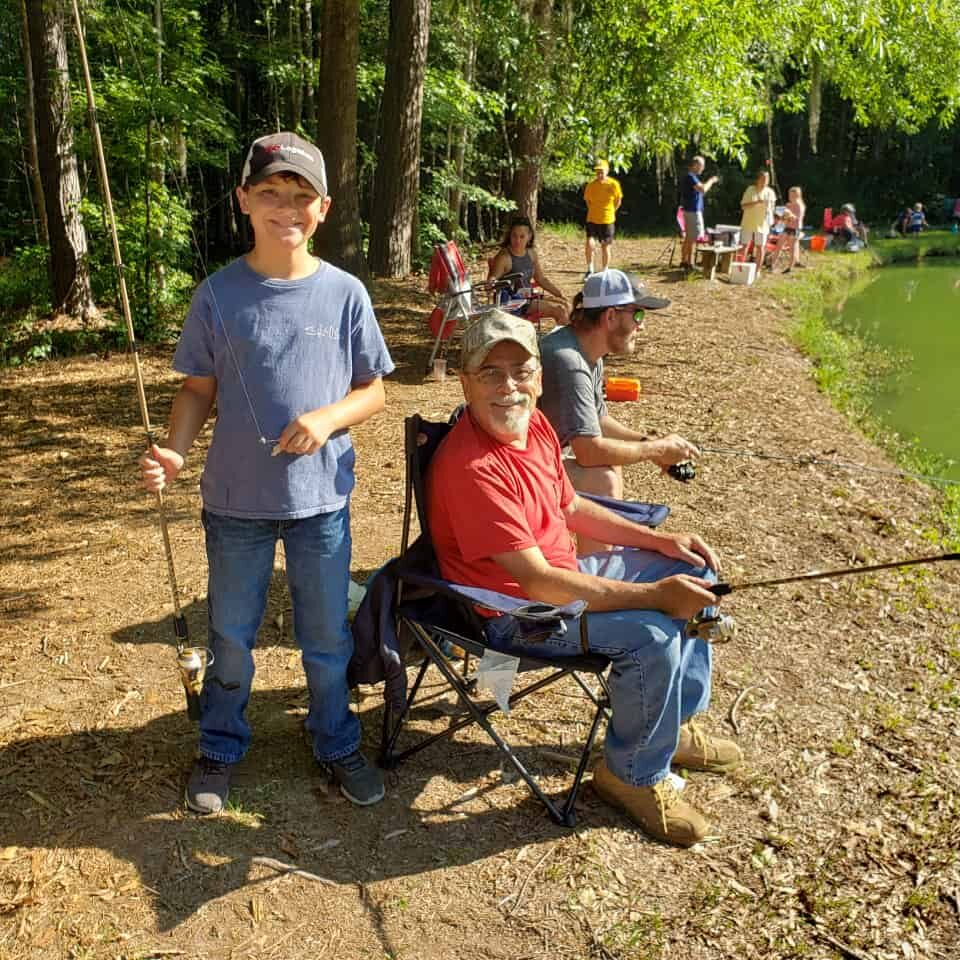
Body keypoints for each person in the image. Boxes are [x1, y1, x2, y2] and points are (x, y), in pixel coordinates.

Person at [138, 132, 395, 815]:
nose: (287, 209)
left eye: (301, 197)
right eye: (271, 194)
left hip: (322, 505)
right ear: (243, 202)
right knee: (230, 635)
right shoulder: (219, 294)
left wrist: (329, 418)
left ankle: (336, 741)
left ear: (325, 208)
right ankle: (221, 746)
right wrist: (175, 450)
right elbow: (196, 389)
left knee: (326, 637)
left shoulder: (345, 294)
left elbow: (374, 389)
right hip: (234, 505)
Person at [427, 310, 741, 847]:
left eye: (521, 371)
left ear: (539, 376)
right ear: (465, 380)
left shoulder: (535, 425)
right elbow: (540, 586)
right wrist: (654, 597)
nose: (509, 387)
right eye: (490, 373)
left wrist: (661, 543)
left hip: (560, 578)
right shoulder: (473, 469)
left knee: (694, 570)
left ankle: (672, 725)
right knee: (654, 631)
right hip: (516, 617)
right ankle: (632, 775)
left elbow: (569, 504)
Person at [539, 269, 700, 555]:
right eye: (638, 314)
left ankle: (601, 562)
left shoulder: (586, 350)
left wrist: (648, 445)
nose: (642, 325)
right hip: (509, 473)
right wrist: (656, 449)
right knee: (602, 478)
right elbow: (589, 450)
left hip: (534, 462)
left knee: (609, 468)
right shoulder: (569, 361)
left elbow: (598, 420)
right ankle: (600, 576)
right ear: (610, 316)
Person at [488, 216, 570, 327]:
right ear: (509, 236)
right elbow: (493, 279)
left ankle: (561, 341)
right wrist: (491, 282)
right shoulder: (504, 257)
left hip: (528, 298)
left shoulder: (531, 254)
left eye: (522, 237)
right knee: (560, 311)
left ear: (529, 237)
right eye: (514, 236)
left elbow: (540, 279)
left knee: (563, 308)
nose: (517, 240)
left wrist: (559, 294)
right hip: (513, 303)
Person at [583, 160, 623, 279]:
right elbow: (588, 201)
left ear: (607, 171)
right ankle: (590, 269)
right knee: (590, 241)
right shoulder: (591, 185)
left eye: (601, 171)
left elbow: (618, 201)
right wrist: (596, 210)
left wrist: (610, 211)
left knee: (605, 245)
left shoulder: (613, 184)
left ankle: (605, 270)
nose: (599, 174)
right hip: (592, 218)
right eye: (597, 172)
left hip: (607, 219)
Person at [679, 156, 719, 271]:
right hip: (692, 211)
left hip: (690, 210)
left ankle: (684, 261)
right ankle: (689, 263)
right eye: (702, 165)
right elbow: (703, 189)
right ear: (695, 165)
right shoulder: (691, 177)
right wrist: (711, 180)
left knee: (688, 238)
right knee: (692, 238)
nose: (703, 168)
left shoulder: (692, 177)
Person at [740, 169, 777, 272]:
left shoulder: (770, 192)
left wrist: (772, 221)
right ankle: (740, 269)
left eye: (767, 179)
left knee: (760, 247)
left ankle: (757, 271)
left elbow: (772, 209)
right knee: (744, 246)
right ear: (758, 179)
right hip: (748, 222)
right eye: (763, 178)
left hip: (763, 224)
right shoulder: (750, 189)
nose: (765, 181)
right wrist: (757, 202)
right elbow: (743, 206)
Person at [776, 186, 806, 272]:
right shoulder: (788, 205)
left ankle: (790, 266)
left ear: (798, 196)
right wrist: (782, 218)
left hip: (795, 229)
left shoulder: (800, 206)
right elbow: (783, 218)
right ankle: (773, 264)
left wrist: (789, 215)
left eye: (793, 195)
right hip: (787, 228)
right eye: (790, 195)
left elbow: (797, 219)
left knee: (792, 247)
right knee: (781, 244)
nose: (791, 197)